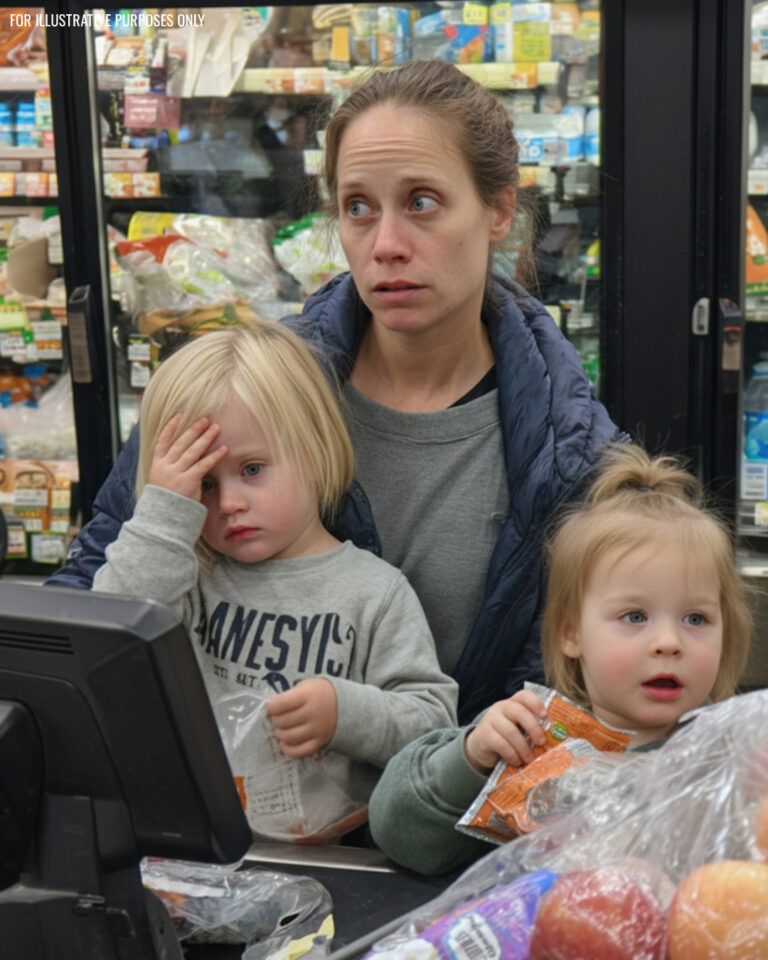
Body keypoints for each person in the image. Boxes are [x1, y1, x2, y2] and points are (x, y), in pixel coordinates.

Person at [49, 58, 623, 724]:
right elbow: (89, 594)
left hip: (464, 821)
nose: (385, 244)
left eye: (421, 202)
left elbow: (577, 689)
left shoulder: (573, 450)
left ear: (498, 210)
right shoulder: (247, 388)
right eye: (358, 208)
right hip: (234, 818)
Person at [90, 321, 458, 841]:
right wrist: (165, 514)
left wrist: (345, 713)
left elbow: (434, 726)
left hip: (333, 856)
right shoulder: (185, 572)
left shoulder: (375, 593)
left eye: (253, 469)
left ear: (315, 448)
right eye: (205, 483)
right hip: (190, 846)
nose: (230, 502)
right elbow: (108, 642)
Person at [367, 443, 753, 874]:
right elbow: (399, 834)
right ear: (571, 633)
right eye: (635, 616)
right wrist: (471, 759)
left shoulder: (734, 757)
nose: (669, 642)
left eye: (696, 618)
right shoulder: (534, 741)